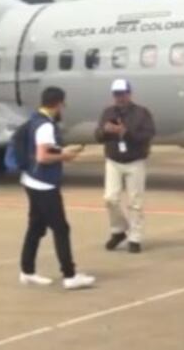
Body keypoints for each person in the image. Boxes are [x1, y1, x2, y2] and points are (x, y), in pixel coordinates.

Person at [17, 86, 95, 290]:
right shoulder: (46, 126)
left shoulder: (35, 121)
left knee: (36, 227)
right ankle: (69, 275)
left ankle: (27, 271)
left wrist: (61, 150)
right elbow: (43, 156)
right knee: (61, 228)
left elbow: (41, 150)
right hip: (44, 184)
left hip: (31, 180)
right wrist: (65, 156)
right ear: (59, 103)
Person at [95, 79, 156, 254]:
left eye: (122, 94)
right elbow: (98, 136)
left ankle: (135, 237)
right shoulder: (107, 112)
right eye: (116, 94)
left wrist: (125, 133)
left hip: (135, 161)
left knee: (135, 202)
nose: (119, 97)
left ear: (129, 94)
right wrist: (105, 131)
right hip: (114, 160)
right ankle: (119, 230)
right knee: (110, 198)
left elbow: (148, 135)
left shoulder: (142, 113)